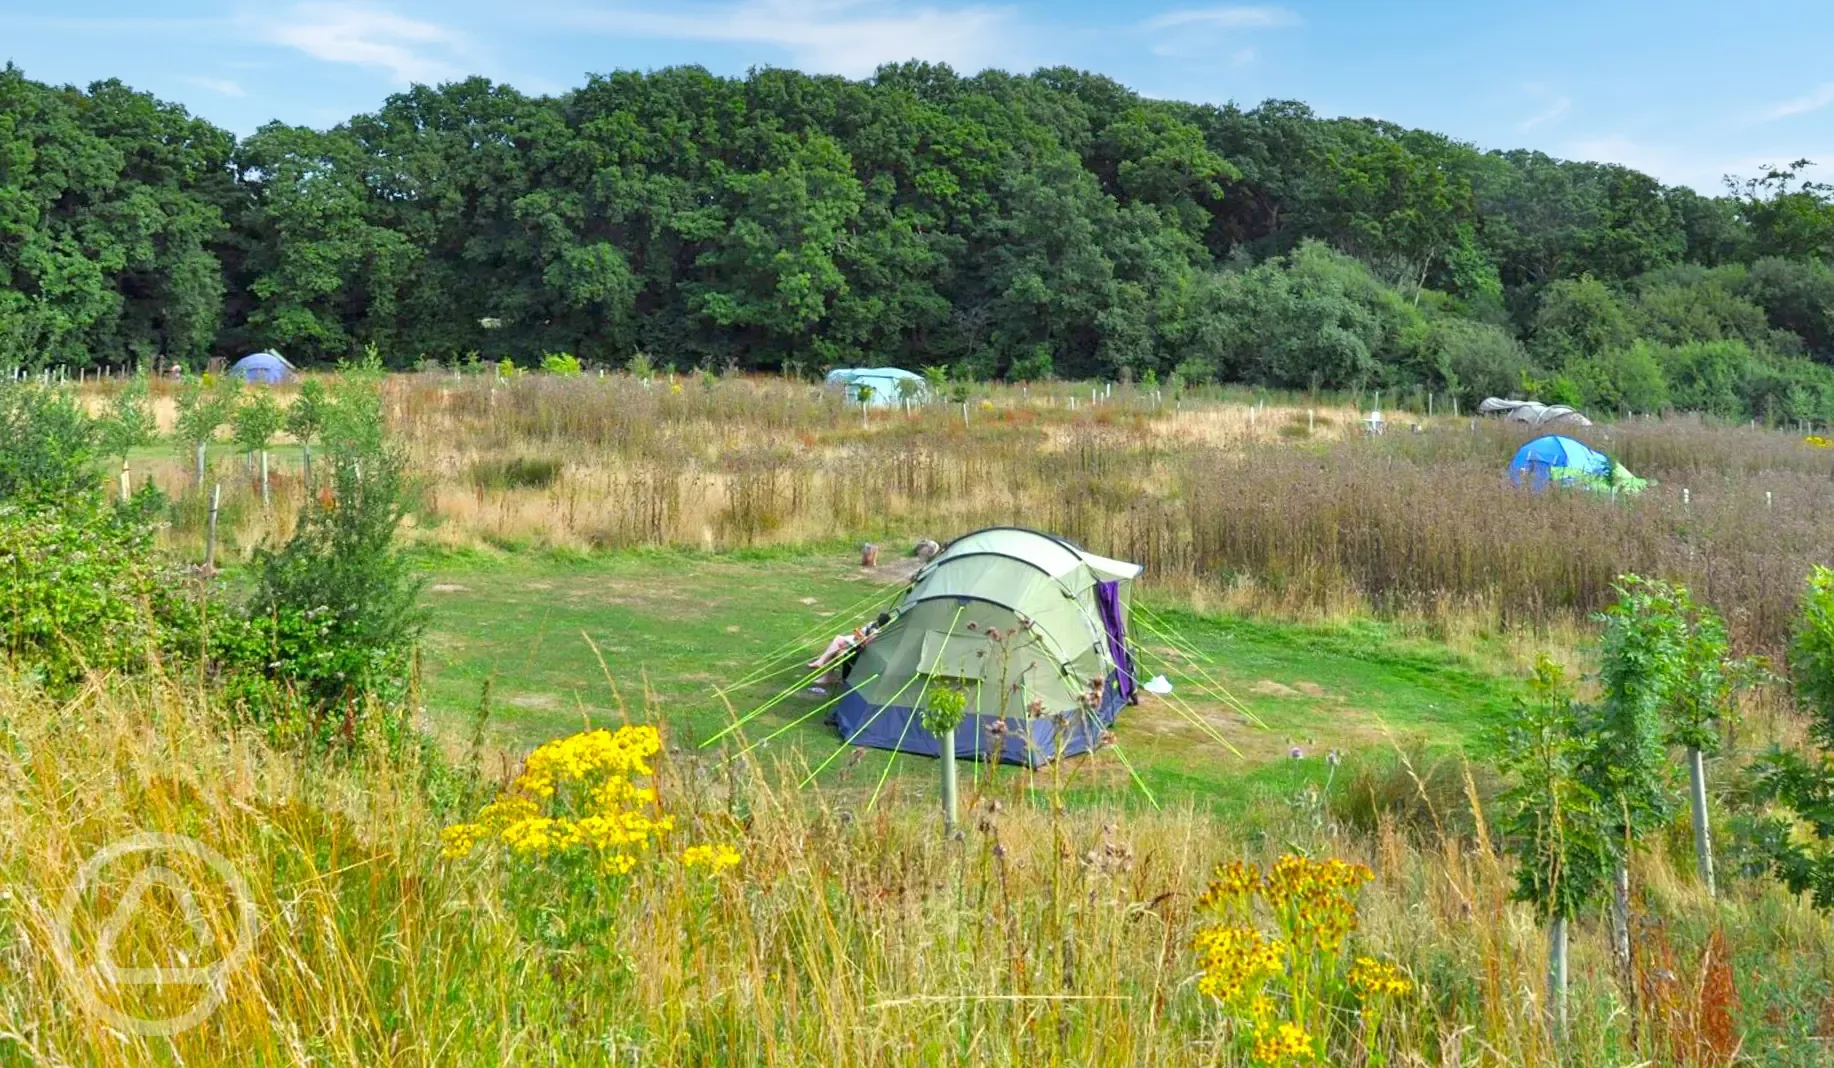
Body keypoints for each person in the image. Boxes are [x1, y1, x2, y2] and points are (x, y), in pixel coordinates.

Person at [808, 613, 891, 679]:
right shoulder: (872, 624)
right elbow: (863, 631)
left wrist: (863, 638)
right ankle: (824, 669)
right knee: (837, 642)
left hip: (862, 651)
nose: (877, 621)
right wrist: (859, 633)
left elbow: (868, 645)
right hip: (858, 644)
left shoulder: (880, 633)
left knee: (837, 645)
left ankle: (823, 668)